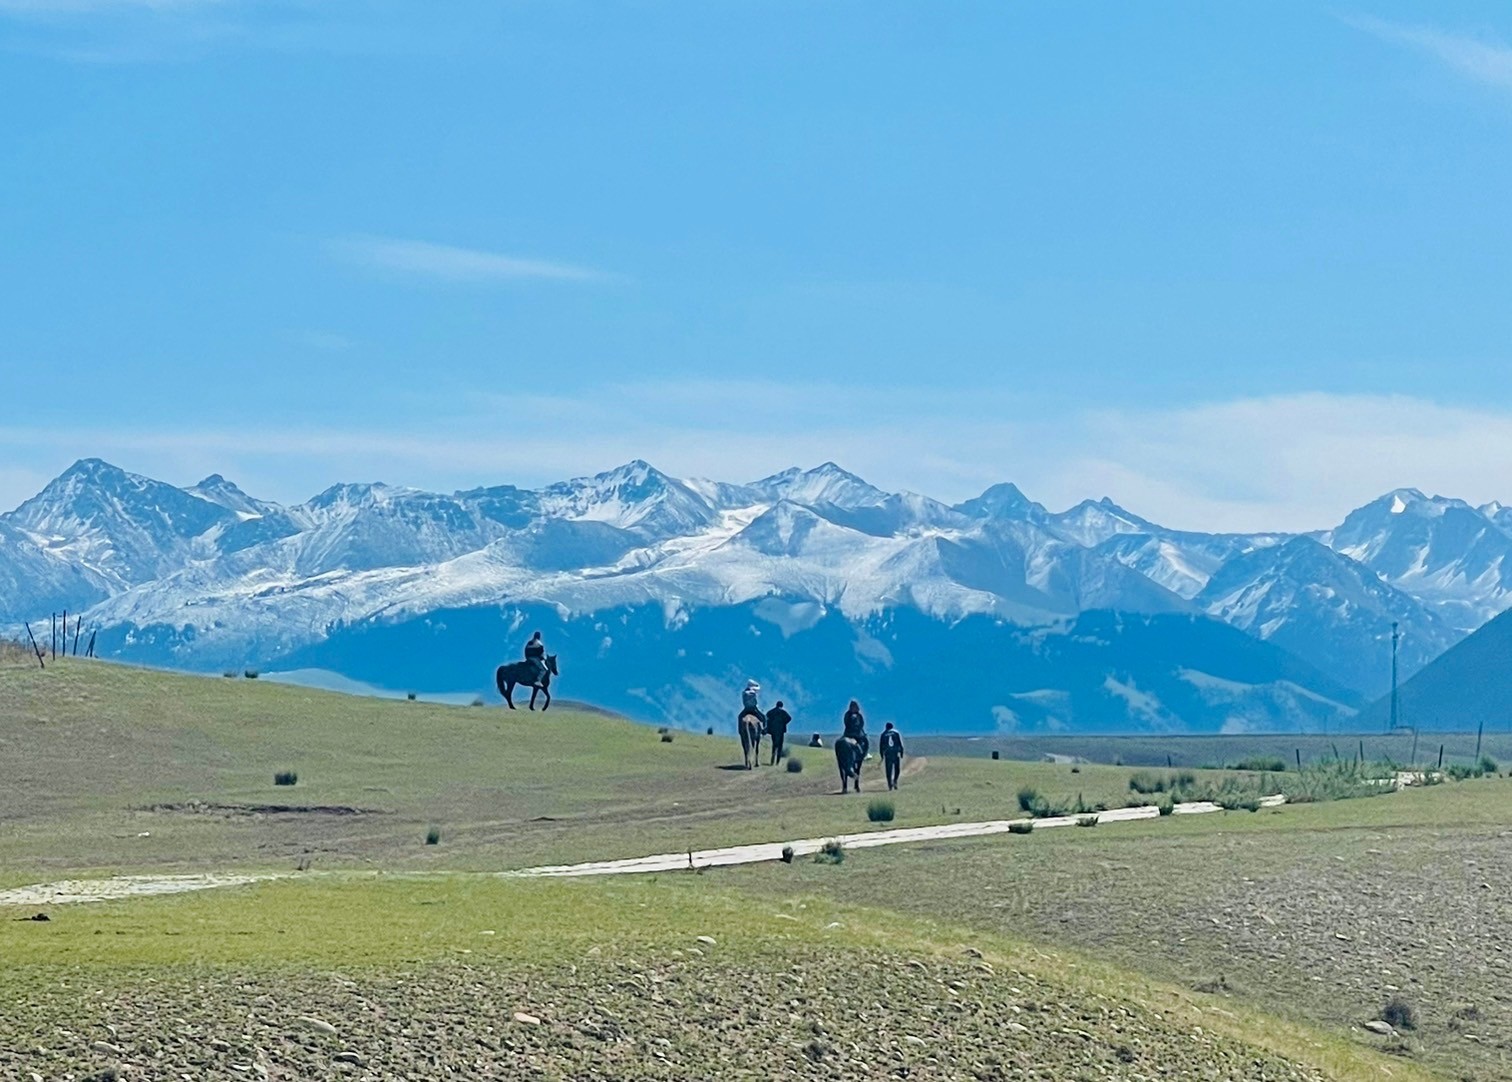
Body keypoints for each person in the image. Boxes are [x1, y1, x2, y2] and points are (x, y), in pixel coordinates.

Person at [879, 721, 905, 790]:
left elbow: (881, 746)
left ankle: (889, 784)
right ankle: (895, 781)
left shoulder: (883, 734)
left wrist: (882, 755)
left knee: (888, 770)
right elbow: (900, 743)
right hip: (895, 753)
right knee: (897, 769)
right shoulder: (896, 733)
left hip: (888, 754)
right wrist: (901, 753)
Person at [765, 700, 792, 765]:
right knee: (780, 746)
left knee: (774, 744)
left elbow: (767, 716)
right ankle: (777, 761)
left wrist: (770, 725)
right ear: (781, 706)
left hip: (773, 731)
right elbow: (789, 718)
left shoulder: (771, 711)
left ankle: (772, 759)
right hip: (781, 731)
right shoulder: (783, 712)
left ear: (776, 705)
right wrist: (784, 723)